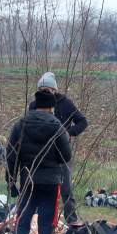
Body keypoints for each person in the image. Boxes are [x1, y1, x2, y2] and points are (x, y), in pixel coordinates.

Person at [7, 89, 72, 234]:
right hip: (51, 183)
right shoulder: (58, 126)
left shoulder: (20, 126)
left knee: (22, 222)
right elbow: (65, 157)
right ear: (52, 107)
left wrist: (11, 183)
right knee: (46, 224)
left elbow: (11, 157)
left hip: (27, 182)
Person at [34, 72, 88, 223]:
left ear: (54, 90)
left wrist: (69, 132)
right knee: (41, 186)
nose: (44, 92)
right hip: (41, 153)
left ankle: (71, 220)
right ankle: (39, 219)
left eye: (47, 89)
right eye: (41, 89)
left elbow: (82, 122)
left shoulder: (66, 103)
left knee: (66, 187)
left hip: (62, 152)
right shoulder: (35, 105)